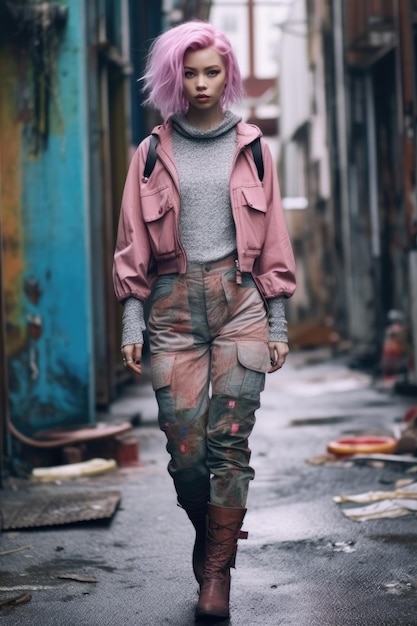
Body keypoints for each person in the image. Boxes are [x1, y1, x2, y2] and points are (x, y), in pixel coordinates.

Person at [113, 20, 296, 620]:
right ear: (173, 77)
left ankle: (215, 575)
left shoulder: (255, 148)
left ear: (228, 76)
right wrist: (132, 323)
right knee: (185, 448)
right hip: (170, 308)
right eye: (188, 73)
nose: (200, 83)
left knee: (229, 442)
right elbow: (131, 244)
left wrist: (278, 323)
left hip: (240, 301)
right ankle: (210, 533)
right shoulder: (149, 154)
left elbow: (273, 241)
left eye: (211, 72)